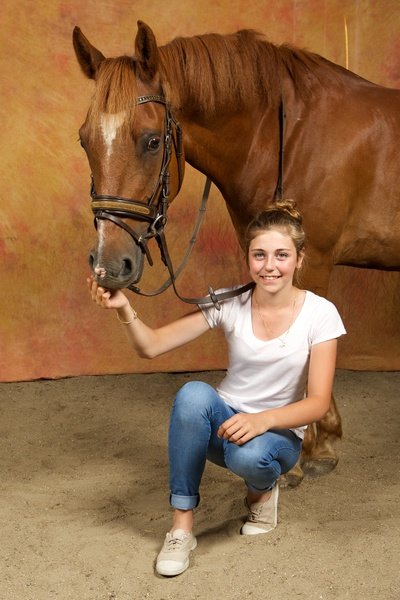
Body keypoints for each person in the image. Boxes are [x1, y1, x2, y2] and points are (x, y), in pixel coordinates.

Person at [88, 200, 346, 577]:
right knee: (193, 394)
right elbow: (151, 346)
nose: (269, 266)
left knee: (250, 459)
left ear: (300, 259)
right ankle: (181, 528)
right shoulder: (229, 302)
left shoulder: (321, 313)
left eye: (281, 255)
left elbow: (319, 403)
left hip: (276, 433)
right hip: (225, 422)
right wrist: (123, 308)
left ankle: (261, 493)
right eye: (259, 255)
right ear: (248, 258)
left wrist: (261, 420)